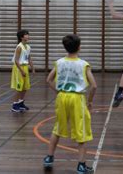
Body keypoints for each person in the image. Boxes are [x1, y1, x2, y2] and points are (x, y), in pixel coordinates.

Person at [43, 34, 97, 173]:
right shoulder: (83, 64)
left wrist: (59, 92)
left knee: (58, 127)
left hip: (62, 97)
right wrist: (90, 101)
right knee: (81, 131)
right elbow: (94, 86)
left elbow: (48, 80)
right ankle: (81, 165)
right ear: (79, 47)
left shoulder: (59, 62)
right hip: (77, 98)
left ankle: (49, 158)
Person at [10, 29, 34, 112]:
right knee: (19, 87)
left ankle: (20, 103)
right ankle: (14, 105)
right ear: (21, 37)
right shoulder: (19, 47)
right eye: (26, 34)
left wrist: (32, 68)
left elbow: (29, 58)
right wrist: (21, 71)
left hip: (25, 67)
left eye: (28, 34)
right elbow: (16, 60)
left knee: (25, 87)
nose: (28, 36)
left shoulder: (28, 47)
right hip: (19, 68)